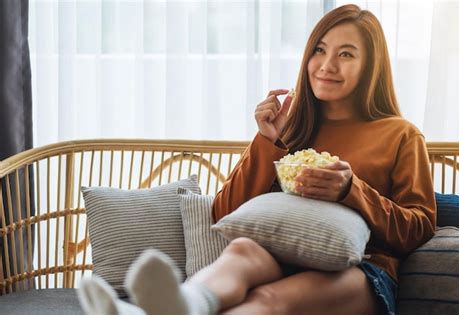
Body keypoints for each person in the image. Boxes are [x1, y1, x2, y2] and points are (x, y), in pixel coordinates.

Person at [77, 4, 436, 315]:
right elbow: (224, 212)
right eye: (319, 50)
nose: (326, 66)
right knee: (244, 251)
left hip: (362, 271)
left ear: (370, 66)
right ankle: (179, 304)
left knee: (267, 300)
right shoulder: (294, 128)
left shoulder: (401, 135)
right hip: (282, 258)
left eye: (346, 54)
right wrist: (269, 142)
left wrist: (351, 191)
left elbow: (419, 228)